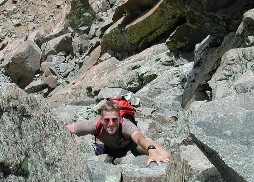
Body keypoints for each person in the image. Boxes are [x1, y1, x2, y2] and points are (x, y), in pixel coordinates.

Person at [66, 100, 172, 166]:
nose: (111, 123)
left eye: (115, 119)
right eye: (107, 120)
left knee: (165, 156)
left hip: (131, 147)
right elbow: (71, 128)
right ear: (101, 120)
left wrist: (151, 150)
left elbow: (139, 137)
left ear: (120, 119)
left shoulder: (126, 125)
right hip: (108, 148)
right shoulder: (94, 125)